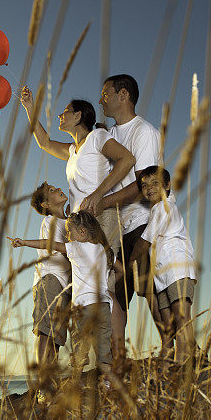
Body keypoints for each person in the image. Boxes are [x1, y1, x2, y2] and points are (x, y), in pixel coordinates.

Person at [20, 87, 132, 367]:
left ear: (79, 115)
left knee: (105, 287)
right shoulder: (72, 150)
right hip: (80, 225)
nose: (60, 115)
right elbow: (44, 142)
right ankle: (97, 361)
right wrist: (29, 106)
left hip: (101, 217)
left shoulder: (98, 137)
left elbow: (127, 160)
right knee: (86, 290)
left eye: (65, 112)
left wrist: (100, 195)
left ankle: (115, 358)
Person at [86, 73, 172, 351]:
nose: (101, 99)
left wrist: (99, 202)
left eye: (106, 93)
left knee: (150, 289)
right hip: (121, 227)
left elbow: (141, 186)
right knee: (116, 294)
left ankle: (174, 354)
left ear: (123, 95)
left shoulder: (143, 132)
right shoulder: (109, 134)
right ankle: (117, 360)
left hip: (145, 222)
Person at [9, 211, 123, 375]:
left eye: (70, 232)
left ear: (82, 232)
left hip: (83, 306)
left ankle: (75, 384)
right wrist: (106, 288)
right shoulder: (105, 250)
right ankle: (108, 385)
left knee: (79, 351)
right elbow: (121, 271)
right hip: (104, 306)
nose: (68, 236)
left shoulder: (77, 247)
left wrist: (24, 242)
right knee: (104, 351)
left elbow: (48, 244)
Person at [128, 166, 197, 363]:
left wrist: (131, 261)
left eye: (155, 183)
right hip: (163, 273)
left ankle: (184, 360)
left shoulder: (165, 207)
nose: (149, 188)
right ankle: (169, 356)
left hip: (177, 268)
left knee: (181, 316)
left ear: (167, 186)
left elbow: (145, 241)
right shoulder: (157, 209)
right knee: (168, 320)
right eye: (144, 185)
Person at [26, 182, 71, 389]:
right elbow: (53, 247)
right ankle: (44, 385)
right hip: (50, 279)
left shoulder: (67, 221)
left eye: (56, 187)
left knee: (56, 336)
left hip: (64, 284)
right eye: (52, 191)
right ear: (45, 204)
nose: (58, 189)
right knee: (47, 332)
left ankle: (51, 381)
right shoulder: (51, 221)